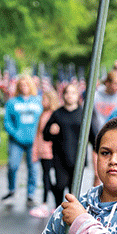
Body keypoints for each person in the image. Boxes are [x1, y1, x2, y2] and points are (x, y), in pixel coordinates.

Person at [42, 82, 97, 210]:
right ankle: (57, 209)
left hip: (78, 158)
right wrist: (51, 130)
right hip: (60, 157)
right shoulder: (57, 114)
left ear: (78, 96)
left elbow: (93, 136)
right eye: (67, 93)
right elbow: (45, 135)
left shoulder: (83, 114)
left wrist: (99, 151)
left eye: (73, 93)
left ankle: (71, 213)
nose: (70, 96)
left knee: (74, 189)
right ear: (63, 95)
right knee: (60, 185)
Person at [2, 76, 43, 207]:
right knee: (13, 166)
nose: (24, 87)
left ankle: (30, 195)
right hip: (16, 142)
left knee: (33, 169)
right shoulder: (12, 102)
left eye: (26, 84)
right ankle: (12, 190)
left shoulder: (38, 101)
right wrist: (15, 134)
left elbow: (44, 119)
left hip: (33, 142)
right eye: (21, 84)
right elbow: (7, 122)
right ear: (18, 87)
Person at [31, 90, 61, 214]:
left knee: (53, 179)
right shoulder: (42, 115)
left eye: (45, 100)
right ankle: (45, 203)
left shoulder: (55, 115)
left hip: (52, 152)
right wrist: (35, 151)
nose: (43, 102)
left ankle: (55, 203)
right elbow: (38, 135)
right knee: (45, 178)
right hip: (43, 151)